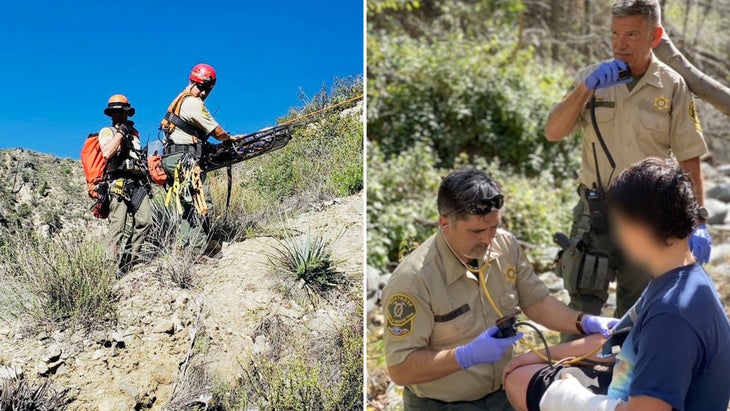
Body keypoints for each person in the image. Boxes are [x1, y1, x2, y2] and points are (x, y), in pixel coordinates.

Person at [503, 157, 730, 411]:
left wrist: (570, 399)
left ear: (639, 227)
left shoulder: (671, 315)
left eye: (619, 223)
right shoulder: (679, 278)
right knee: (522, 375)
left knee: (523, 384)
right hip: (629, 384)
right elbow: (618, 343)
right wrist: (539, 355)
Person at [382, 167, 618, 411]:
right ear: (445, 224)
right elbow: (401, 369)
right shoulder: (413, 281)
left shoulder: (504, 246)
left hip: (502, 394)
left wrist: (586, 321)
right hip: (441, 404)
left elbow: (537, 303)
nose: (487, 239)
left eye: (493, 227)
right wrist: (465, 356)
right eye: (476, 231)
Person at [545, 0, 711, 323]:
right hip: (595, 215)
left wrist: (699, 223)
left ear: (655, 35)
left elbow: (690, 159)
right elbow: (553, 131)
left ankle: (628, 374)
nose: (620, 44)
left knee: (639, 317)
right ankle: (572, 374)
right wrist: (585, 89)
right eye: (615, 34)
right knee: (580, 315)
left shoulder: (672, 86)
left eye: (632, 34)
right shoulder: (591, 79)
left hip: (649, 217)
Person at [160, 63, 232, 252]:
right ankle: (198, 250)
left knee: (187, 205)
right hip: (184, 159)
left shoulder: (180, 101)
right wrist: (229, 138)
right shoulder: (192, 103)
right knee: (200, 202)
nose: (203, 93)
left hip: (173, 158)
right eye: (201, 87)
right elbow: (217, 131)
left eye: (206, 90)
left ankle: (188, 247)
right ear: (192, 82)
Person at [98, 94, 151, 270]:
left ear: (128, 113)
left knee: (145, 221)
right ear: (110, 115)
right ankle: (109, 270)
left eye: (122, 112)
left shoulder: (136, 135)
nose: (118, 115)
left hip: (137, 183)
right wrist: (121, 133)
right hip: (118, 184)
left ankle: (128, 263)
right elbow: (106, 153)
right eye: (115, 113)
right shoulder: (107, 132)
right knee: (117, 228)